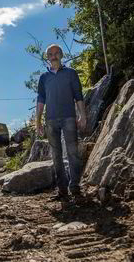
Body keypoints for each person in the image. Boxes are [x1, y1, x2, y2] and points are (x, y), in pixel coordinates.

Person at [35, 44, 87, 201]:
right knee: (56, 156)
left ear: (61, 55)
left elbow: (78, 96)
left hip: (69, 118)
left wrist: (82, 115)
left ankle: (75, 187)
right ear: (47, 57)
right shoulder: (44, 78)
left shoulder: (71, 73)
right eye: (50, 54)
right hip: (50, 120)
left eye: (56, 53)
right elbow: (41, 100)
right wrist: (38, 121)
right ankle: (62, 190)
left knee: (72, 153)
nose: (53, 56)